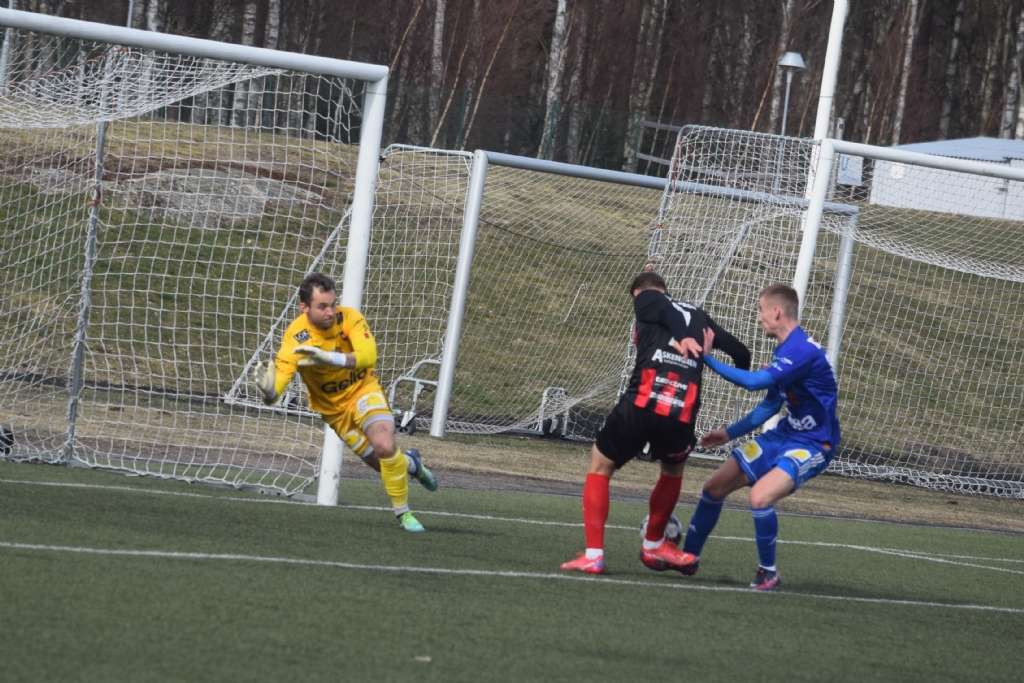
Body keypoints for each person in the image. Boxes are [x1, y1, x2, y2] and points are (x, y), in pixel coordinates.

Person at [560, 271, 751, 575]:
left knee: (600, 466)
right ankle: (653, 545)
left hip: (643, 401)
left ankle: (594, 555)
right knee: (672, 471)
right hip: (682, 409)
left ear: (637, 293)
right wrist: (725, 368)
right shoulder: (699, 316)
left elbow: (665, 311)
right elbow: (741, 352)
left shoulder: (648, 297)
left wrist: (683, 337)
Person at [683, 282, 841, 591]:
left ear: (776, 312)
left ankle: (768, 571)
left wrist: (706, 358)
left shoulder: (802, 350)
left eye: (760, 310)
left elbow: (754, 383)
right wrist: (728, 433)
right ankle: (688, 557)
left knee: (759, 497)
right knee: (714, 487)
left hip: (814, 443)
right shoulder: (784, 350)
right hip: (784, 435)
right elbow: (770, 404)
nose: (758, 317)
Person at [251, 272, 438, 532]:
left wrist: (329, 358)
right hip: (334, 412)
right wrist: (269, 391)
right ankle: (413, 464)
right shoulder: (295, 338)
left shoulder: (349, 318)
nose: (331, 311)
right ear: (304, 308)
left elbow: (368, 355)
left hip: (363, 391)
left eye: (333, 304)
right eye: (322, 306)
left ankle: (403, 514)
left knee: (384, 445)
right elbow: (275, 391)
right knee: (380, 463)